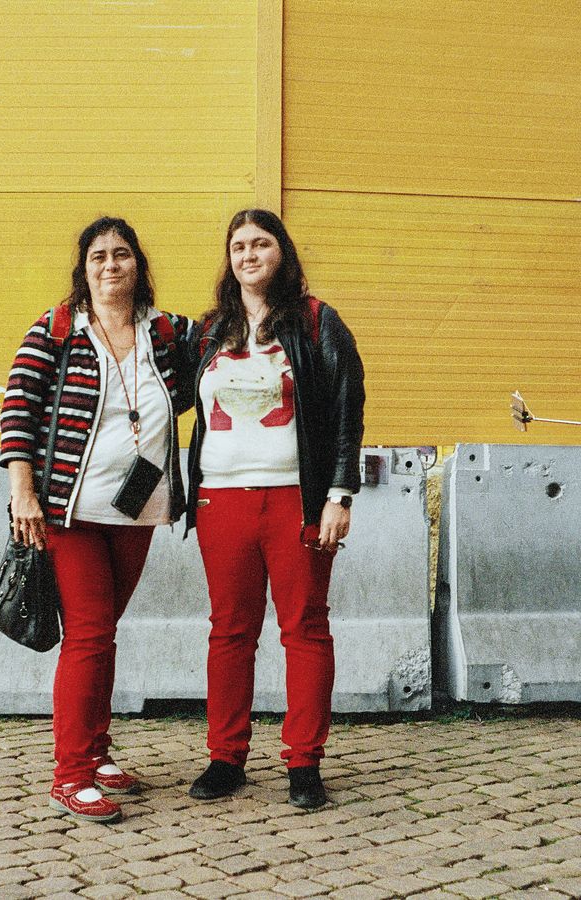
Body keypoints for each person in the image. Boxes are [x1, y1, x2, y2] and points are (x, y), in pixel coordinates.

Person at [0, 217, 192, 823]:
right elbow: (18, 411)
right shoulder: (56, 329)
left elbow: (218, 354)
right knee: (88, 635)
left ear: (140, 265)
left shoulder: (166, 332)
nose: (111, 266)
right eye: (99, 257)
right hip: (71, 511)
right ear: (84, 270)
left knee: (103, 630)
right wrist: (22, 493)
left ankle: (97, 751)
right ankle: (71, 772)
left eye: (123, 255)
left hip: (137, 511)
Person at [185, 209, 365, 809]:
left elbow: (346, 410)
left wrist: (339, 494)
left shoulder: (316, 323)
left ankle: (304, 762)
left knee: (305, 628)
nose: (248, 254)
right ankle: (224, 757)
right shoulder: (209, 330)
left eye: (260, 243)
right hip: (220, 499)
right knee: (229, 632)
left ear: (281, 252)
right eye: (238, 246)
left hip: (296, 498)